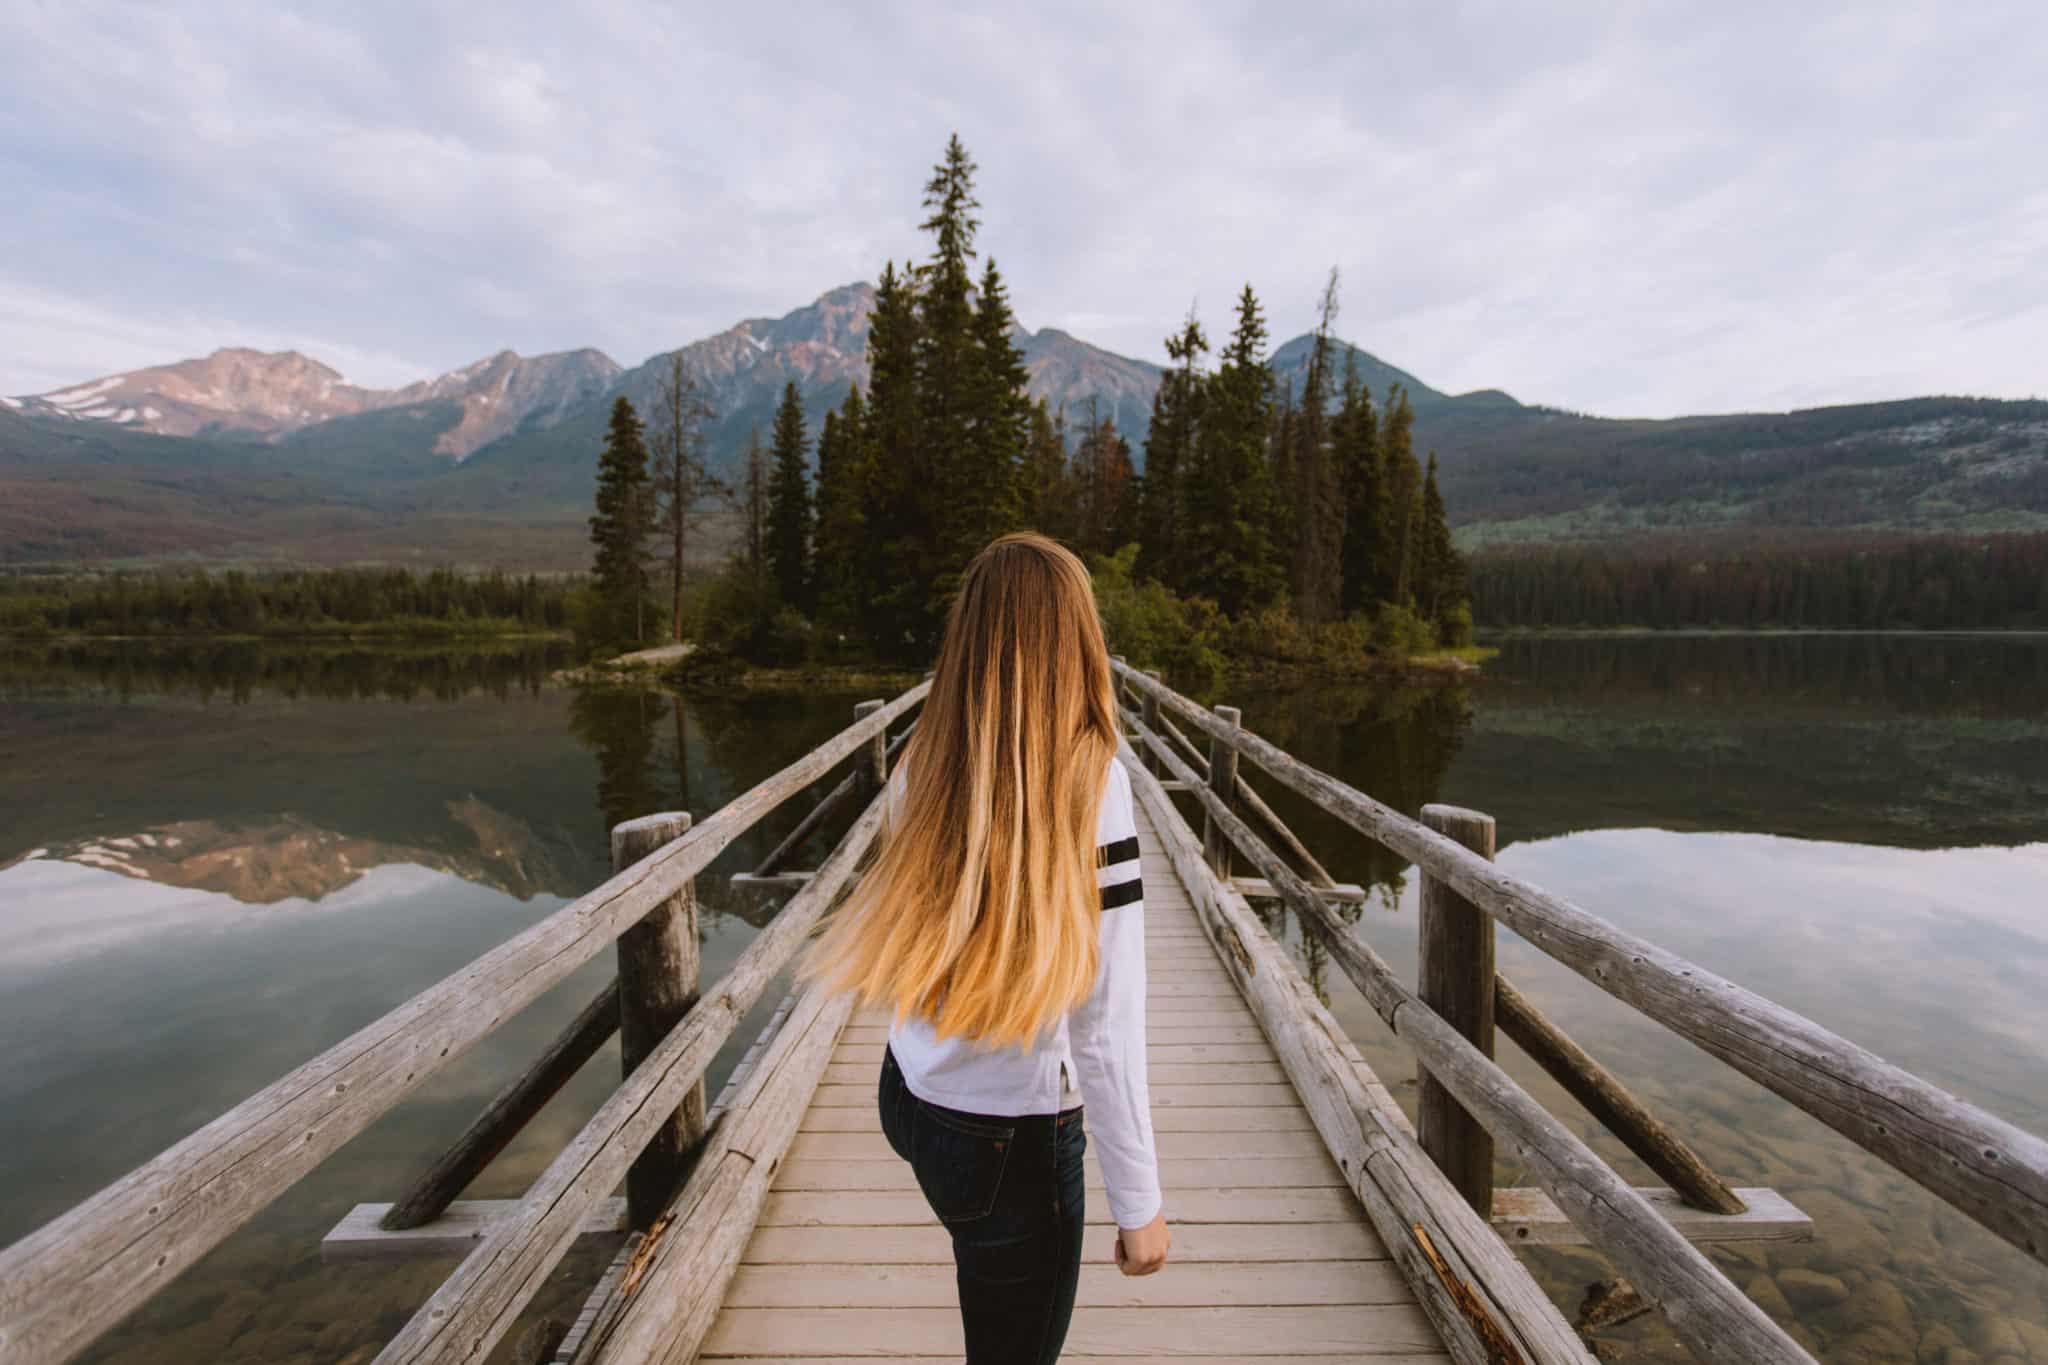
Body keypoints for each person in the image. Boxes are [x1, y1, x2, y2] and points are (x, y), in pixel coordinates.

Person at [799, 531, 1168, 1364]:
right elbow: (1105, 1024)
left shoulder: (923, 760)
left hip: (913, 1095)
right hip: (1012, 1141)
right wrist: (1139, 1201)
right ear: (1075, 638)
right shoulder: (1096, 780)